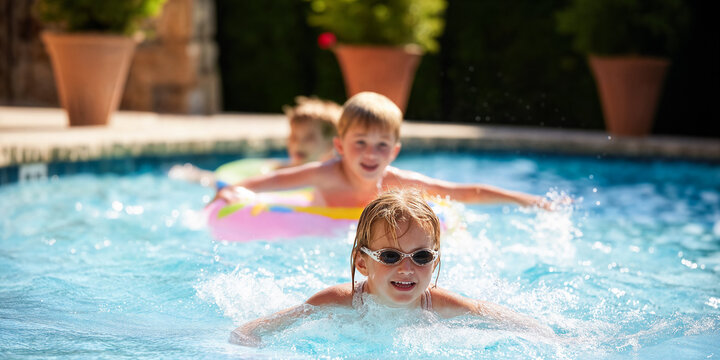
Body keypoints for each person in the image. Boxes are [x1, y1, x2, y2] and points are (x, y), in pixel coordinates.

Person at [229, 189, 554, 346]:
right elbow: (247, 331)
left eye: (421, 256)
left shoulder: (439, 304)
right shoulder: (336, 302)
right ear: (362, 261)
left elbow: (517, 325)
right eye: (390, 256)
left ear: (435, 260)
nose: (407, 268)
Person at [216, 91, 549, 209]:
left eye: (381, 146)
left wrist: (525, 199)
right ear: (339, 146)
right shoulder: (324, 174)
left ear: (394, 151)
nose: (370, 154)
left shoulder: (394, 182)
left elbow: (461, 192)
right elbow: (265, 185)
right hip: (315, 224)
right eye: (359, 143)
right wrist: (232, 191)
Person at [169, 96, 342, 188]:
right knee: (211, 180)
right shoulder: (280, 169)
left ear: (330, 145)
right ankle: (195, 175)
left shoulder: (332, 178)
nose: (298, 144)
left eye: (309, 138)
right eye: (293, 137)